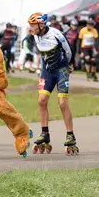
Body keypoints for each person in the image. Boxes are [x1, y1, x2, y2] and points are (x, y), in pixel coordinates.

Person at [27, 13, 78, 155]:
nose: (30, 28)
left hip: (61, 70)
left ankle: (70, 134)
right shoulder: (35, 36)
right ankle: (45, 133)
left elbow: (68, 51)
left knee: (62, 103)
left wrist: (68, 65)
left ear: (41, 25)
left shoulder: (56, 34)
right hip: (47, 71)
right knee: (41, 100)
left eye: (32, 25)